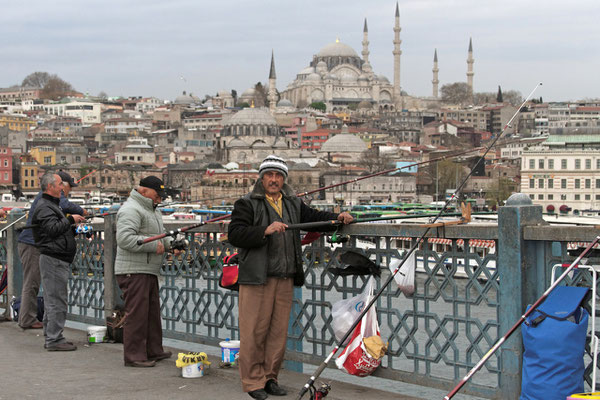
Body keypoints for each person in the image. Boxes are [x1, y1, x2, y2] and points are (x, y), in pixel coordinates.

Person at [228, 155, 353, 400]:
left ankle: (270, 378)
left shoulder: (292, 203)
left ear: (284, 179)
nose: (274, 180)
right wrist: (265, 229)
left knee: (277, 333)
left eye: (278, 176)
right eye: (269, 175)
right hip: (257, 277)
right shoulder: (247, 203)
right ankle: (253, 382)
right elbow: (236, 234)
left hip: (285, 276)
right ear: (261, 178)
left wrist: (337, 218)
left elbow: (313, 217)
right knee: (254, 331)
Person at [115, 176, 174, 368]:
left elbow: (159, 237)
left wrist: (172, 245)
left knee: (151, 313)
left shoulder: (152, 210)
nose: (160, 200)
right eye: (157, 196)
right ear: (144, 191)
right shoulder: (131, 209)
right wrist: (152, 246)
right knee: (137, 315)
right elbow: (125, 239)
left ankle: (153, 350)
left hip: (148, 269)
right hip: (133, 270)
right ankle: (134, 356)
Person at [17, 171, 86, 330]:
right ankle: (27, 319)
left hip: (37, 244)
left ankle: (33, 319)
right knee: (32, 283)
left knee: (37, 284)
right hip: (31, 244)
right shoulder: (48, 198)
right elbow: (65, 206)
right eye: (64, 185)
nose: (66, 190)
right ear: (53, 185)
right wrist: (80, 213)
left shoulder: (50, 198)